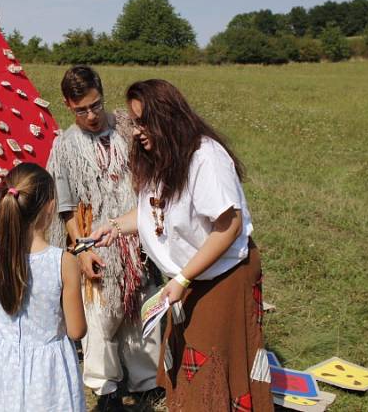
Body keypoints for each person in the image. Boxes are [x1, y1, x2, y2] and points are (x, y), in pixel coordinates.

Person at [93, 79, 273, 411]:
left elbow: (228, 226)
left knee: (212, 362)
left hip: (224, 276)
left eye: (144, 122)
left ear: (168, 117)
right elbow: (154, 210)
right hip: (189, 278)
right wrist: (115, 227)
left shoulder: (205, 157)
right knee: (191, 363)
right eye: (135, 123)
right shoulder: (160, 155)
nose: (137, 132)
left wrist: (183, 278)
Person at [46, 66, 160, 411]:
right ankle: (105, 386)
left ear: (101, 95)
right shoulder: (65, 147)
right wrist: (81, 249)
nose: (92, 115)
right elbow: (65, 208)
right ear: (68, 104)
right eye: (81, 109)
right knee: (101, 314)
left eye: (96, 105)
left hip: (139, 235)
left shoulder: (128, 127)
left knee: (145, 306)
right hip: (96, 241)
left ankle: (148, 380)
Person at [0, 162, 87, 412]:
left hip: (2, 361)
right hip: (48, 371)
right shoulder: (63, 262)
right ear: (51, 207)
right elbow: (77, 330)